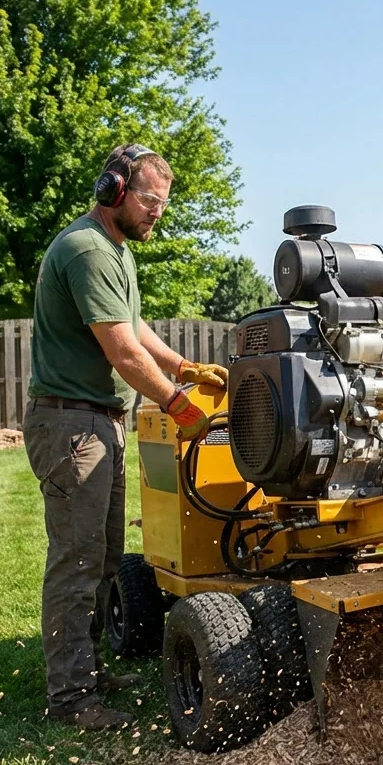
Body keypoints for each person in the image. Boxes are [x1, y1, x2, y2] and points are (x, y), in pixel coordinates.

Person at [23, 144, 229, 730]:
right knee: (77, 561)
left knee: (106, 555)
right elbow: (121, 350)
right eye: (150, 200)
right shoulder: (88, 249)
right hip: (70, 424)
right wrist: (177, 403)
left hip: (95, 422)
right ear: (114, 188)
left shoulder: (113, 250)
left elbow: (135, 326)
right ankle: (70, 697)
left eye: (163, 204)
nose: (157, 213)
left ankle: (87, 669)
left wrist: (185, 367)